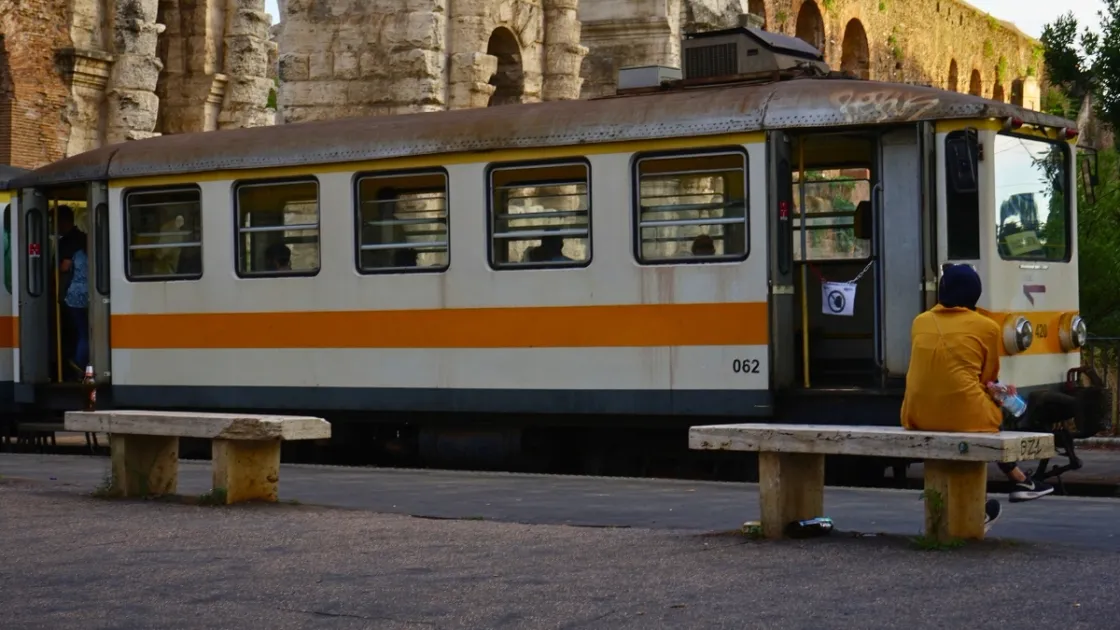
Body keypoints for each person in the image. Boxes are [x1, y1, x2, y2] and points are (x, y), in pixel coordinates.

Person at [900, 263, 1055, 531]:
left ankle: (1010, 487)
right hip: (965, 415)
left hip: (917, 415)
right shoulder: (987, 327)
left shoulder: (919, 321)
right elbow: (988, 380)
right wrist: (1002, 393)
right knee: (988, 411)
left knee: (969, 411)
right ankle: (1017, 481)